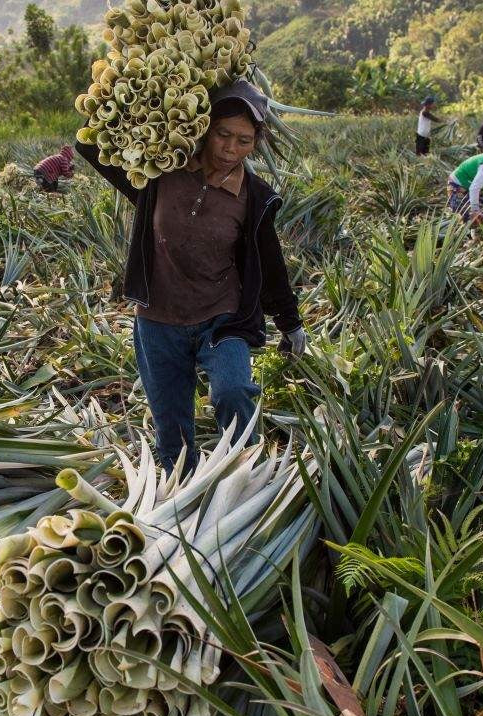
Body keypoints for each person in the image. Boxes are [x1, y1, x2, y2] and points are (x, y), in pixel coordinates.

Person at [58, 79, 305, 474]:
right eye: (223, 134)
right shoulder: (160, 174)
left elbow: (271, 263)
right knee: (172, 429)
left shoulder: (254, 196)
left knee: (234, 391)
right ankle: (183, 498)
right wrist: (134, 103)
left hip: (222, 317)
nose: (230, 148)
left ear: (255, 143)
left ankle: (245, 474)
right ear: (204, 129)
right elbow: (91, 146)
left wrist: (290, 323)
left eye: (244, 140)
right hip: (159, 319)